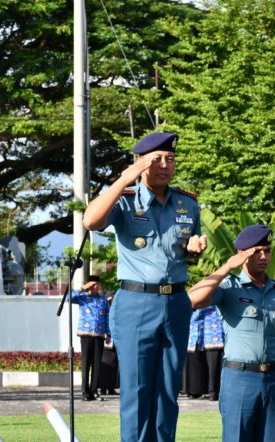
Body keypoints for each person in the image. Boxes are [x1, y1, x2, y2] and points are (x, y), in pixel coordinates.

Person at [83, 131, 207, 441]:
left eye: (170, 159)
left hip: (177, 302)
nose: (164, 165)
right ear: (141, 163)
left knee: (167, 390)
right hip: (136, 303)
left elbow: (184, 250)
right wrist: (125, 178)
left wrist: (194, 249)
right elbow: (91, 221)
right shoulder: (125, 200)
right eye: (156, 160)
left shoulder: (187, 204)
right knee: (137, 390)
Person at [188, 224, 275, 442]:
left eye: (267, 250)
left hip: (273, 379)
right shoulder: (229, 287)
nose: (263, 256)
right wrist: (228, 266)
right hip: (240, 379)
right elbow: (192, 299)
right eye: (257, 252)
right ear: (242, 254)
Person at [69, 275, 110, 401]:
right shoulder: (83, 297)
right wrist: (82, 288)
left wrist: (108, 333)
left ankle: (94, 391)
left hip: (99, 335)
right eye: (93, 285)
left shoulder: (103, 299)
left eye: (97, 284)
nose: (96, 287)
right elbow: (68, 298)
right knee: (86, 363)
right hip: (86, 334)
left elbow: (107, 317)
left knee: (97, 364)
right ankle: (85, 392)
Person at [99, 291, 119, 396]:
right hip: (108, 338)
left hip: (116, 339)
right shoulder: (106, 308)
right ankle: (103, 387)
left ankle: (111, 387)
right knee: (106, 365)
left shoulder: (117, 308)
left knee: (114, 365)